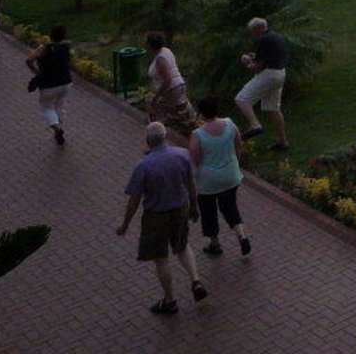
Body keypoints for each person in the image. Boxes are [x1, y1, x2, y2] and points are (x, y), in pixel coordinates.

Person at [117, 121, 208, 315]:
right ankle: (196, 281)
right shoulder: (182, 155)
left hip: (156, 216)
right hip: (180, 209)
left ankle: (170, 300)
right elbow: (191, 184)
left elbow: (134, 201)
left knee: (161, 258)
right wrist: (194, 206)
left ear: (148, 141)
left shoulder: (143, 166)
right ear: (165, 136)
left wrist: (125, 224)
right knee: (182, 246)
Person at [189, 96, 251, 257]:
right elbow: (238, 145)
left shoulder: (198, 134)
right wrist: (234, 163)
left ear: (201, 113)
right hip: (230, 176)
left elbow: (195, 159)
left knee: (208, 212)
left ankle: (214, 244)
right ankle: (242, 236)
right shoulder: (230, 124)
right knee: (230, 207)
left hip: (208, 181)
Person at [234, 17, 288, 150]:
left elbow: (257, 67)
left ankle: (255, 125)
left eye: (253, 31)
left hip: (269, 75)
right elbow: (267, 57)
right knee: (273, 108)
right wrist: (253, 57)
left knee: (241, 99)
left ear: (258, 29)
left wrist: (247, 62)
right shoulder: (277, 37)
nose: (253, 34)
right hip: (280, 73)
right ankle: (283, 142)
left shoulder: (263, 39)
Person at [26, 24, 73, 146]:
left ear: (50, 35)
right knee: (59, 105)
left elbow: (29, 60)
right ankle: (59, 127)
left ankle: (57, 129)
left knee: (46, 107)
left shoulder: (44, 48)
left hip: (48, 85)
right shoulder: (66, 47)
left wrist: (37, 72)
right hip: (66, 82)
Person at [145, 33, 198, 136]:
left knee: (166, 111)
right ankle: (189, 129)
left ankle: (157, 132)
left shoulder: (160, 59)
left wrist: (157, 96)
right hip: (179, 85)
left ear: (150, 45)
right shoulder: (166, 51)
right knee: (182, 112)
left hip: (172, 90)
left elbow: (167, 80)